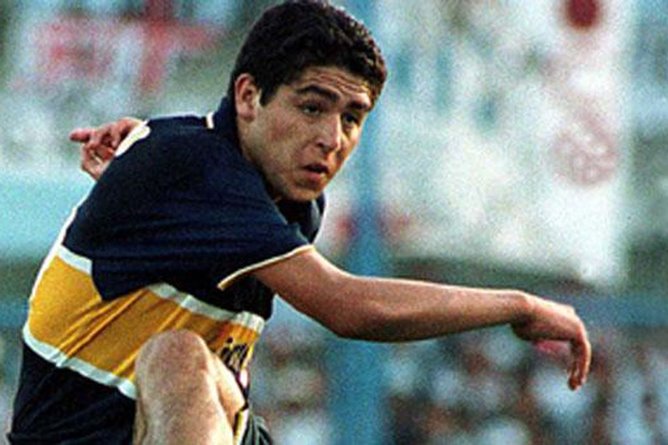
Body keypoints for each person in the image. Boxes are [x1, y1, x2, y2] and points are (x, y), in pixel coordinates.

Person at [9, 1, 592, 444]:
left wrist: (141, 143)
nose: (331, 138)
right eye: (312, 107)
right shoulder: (192, 168)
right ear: (248, 96)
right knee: (177, 356)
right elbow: (349, 308)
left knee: (182, 357)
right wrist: (518, 305)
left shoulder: (275, 190)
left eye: (352, 117)